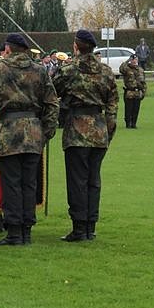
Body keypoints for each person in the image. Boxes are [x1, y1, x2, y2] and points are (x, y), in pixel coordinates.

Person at [0, 33, 59, 246]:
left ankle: (14, 231)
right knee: (29, 183)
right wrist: (46, 131)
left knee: (11, 183)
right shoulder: (40, 70)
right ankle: (27, 231)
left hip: (9, 132)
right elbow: (52, 103)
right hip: (33, 132)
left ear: (8, 49)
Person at [52, 30, 118, 242]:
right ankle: (90, 226)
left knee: (77, 181)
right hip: (99, 130)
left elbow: (52, 91)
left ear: (76, 46)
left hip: (77, 130)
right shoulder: (106, 71)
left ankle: (79, 227)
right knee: (93, 180)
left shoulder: (69, 70)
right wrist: (108, 131)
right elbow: (113, 105)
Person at [118, 54, 145, 129]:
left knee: (136, 109)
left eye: (136, 60)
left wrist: (143, 92)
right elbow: (121, 69)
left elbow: (143, 82)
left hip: (138, 91)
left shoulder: (140, 70)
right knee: (128, 109)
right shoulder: (127, 68)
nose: (134, 61)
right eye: (133, 60)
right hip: (129, 91)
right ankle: (128, 124)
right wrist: (127, 61)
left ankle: (134, 123)